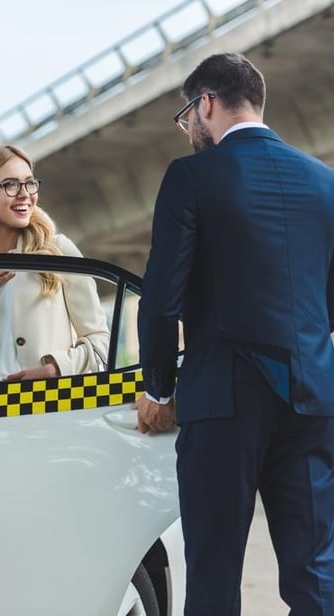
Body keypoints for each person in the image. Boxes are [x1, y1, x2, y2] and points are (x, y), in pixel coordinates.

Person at [133, 52, 334, 614]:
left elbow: (161, 301)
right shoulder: (326, 184)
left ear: (207, 104)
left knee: (215, 576)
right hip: (314, 397)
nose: (190, 127)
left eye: (187, 114)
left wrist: (159, 390)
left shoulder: (191, 176)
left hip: (223, 402)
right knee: (317, 576)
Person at [0, 144, 109, 384]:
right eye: (11, 185)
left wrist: (56, 369)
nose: (25, 193)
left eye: (29, 182)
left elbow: (101, 343)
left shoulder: (58, 252)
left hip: (49, 409)